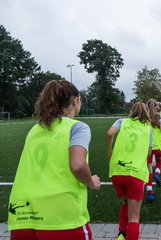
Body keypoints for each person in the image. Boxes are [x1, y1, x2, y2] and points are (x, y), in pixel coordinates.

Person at [8, 80, 101, 240]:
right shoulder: (78, 127)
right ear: (75, 101)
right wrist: (91, 182)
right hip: (60, 218)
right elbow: (77, 165)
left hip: (22, 217)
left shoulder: (34, 129)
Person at [106, 102, 152, 240]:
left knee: (125, 202)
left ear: (132, 111)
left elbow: (109, 134)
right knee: (134, 217)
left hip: (117, 171)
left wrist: (110, 154)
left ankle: (122, 235)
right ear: (146, 113)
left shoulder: (121, 122)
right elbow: (149, 154)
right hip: (135, 173)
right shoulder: (147, 128)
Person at [145, 99, 161, 203]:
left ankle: (150, 192)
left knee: (149, 169)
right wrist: (158, 124)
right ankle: (157, 173)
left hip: (146, 147)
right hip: (158, 145)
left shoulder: (144, 117)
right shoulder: (160, 116)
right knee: (159, 161)